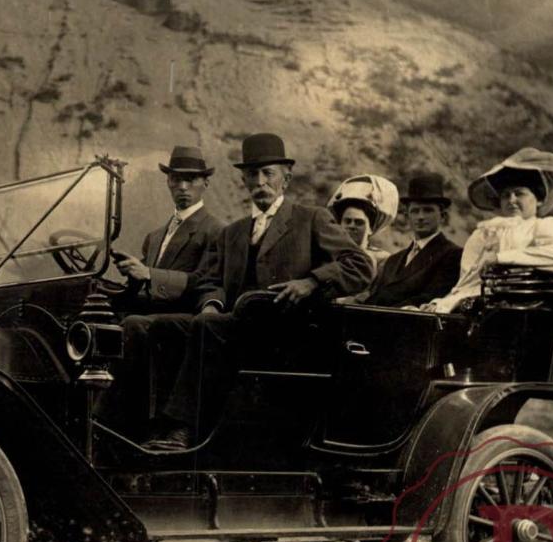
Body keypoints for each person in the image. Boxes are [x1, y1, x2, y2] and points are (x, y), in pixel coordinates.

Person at [142, 133, 374, 451]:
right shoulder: (233, 232)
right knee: (164, 326)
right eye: (252, 174)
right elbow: (212, 282)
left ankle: (183, 430)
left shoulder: (310, 219)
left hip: (290, 333)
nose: (260, 182)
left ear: (286, 178)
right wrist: (211, 303)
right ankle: (156, 426)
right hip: (237, 326)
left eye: (268, 173)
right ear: (244, 181)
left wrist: (311, 282)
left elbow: (360, 265)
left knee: (207, 327)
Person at [98, 146, 223, 432]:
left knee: (134, 325)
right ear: (168, 182)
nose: (183, 187)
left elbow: (206, 282)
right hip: (150, 317)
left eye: (190, 179)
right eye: (176, 179)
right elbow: (145, 285)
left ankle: (103, 419)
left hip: (185, 322)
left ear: (205, 183)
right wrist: (133, 273)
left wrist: (149, 274)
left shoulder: (216, 230)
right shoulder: (155, 236)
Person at [422, 148, 553, 314]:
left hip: (530, 309)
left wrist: (500, 258)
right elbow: (468, 283)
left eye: (519, 194)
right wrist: (443, 304)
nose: (511, 200)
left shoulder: (544, 226)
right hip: (482, 307)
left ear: (538, 200)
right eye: (505, 195)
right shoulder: (484, 233)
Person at [363, 172, 462, 308]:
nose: (420, 217)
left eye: (428, 210)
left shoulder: (452, 255)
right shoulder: (393, 261)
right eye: (415, 211)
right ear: (407, 216)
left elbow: (431, 297)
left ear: (443, 216)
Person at [326, 174, 399, 272]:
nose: (352, 226)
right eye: (347, 221)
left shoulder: (383, 260)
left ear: (370, 228)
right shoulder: (328, 255)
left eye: (359, 222)